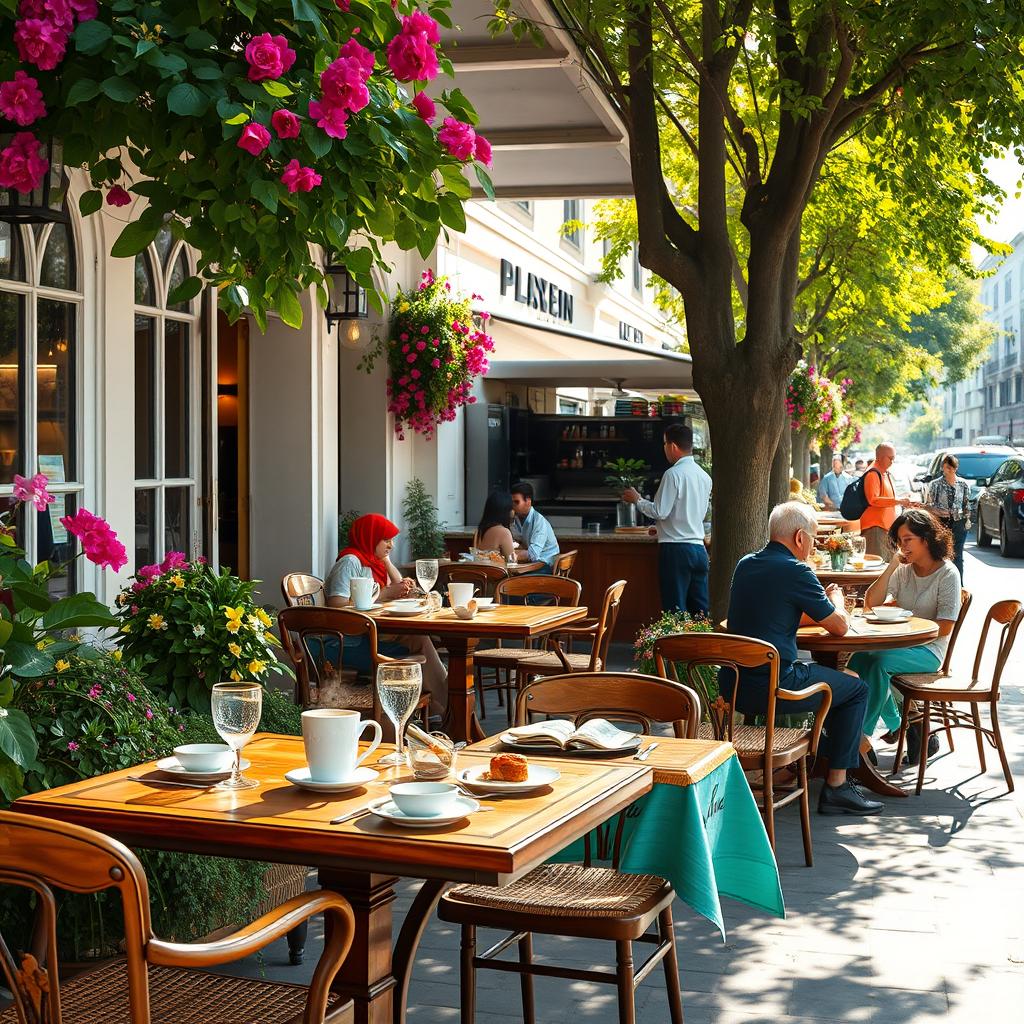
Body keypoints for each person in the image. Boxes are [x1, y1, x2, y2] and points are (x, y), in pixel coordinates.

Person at [725, 501, 882, 815]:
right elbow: (839, 626)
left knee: (841, 684)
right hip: (775, 686)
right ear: (799, 537)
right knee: (856, 689)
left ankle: (821, 754)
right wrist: (835, 598)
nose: (813, 545)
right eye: (813, 538)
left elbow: (774, 613)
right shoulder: (796, 570)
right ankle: (837, 785)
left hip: (734, 685)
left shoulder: (745, 563)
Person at [851, 510, 961, 755]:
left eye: (908, 539)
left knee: (878, 662)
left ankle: (860, 736)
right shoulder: (904, 570)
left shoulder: (947, 573)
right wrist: (891, 565)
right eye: (900, 541)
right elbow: (871, 603)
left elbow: (946, 625)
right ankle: (898, 724)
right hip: (900, 646)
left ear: (927, 538)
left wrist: (907, 622)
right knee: (858, 659)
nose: (903, 546)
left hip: (930, 651)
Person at [325, 513, 447, 716]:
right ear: (370, 536)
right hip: (345, 644)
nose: (391, 545)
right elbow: (335, 604)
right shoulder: (351, 561)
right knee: (419, 643)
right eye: (386, 539)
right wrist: (384, 594)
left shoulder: (371, 562)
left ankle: (440, 706)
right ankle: (447, 708)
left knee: (418, 638)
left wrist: (386, 561)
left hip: (367, 636)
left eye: (392, 541)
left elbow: (395, 583)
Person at [622, 422, 712, 615]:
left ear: (672, 446)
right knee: (700, 611)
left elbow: (660, 511)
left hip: (675, 550)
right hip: (699, 549)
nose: (664, 449)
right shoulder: (705, 477)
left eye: (664, 444)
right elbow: (696, 514)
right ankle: (702, 644)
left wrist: (637, 499)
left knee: (675, 609)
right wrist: (663, 528)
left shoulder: (673, 474)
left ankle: (676, 646)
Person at [921, 455, 971, 580]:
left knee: (958, 555)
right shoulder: (935, 484)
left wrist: (967, 521)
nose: (946, 471)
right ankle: (940, 582)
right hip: (941, 523)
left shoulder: (963, 484)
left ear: (955, 468)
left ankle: (959, 585)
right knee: (941, 554)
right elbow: (929, 505)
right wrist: (937, 513)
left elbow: (967, 504)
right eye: (944, 468)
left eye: (949, 468)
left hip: (959, 522)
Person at [860, 442, 907, 557]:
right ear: (879, 457)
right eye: (890, 458)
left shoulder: (883, 472)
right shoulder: (872, 473)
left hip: (885, 528)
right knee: (876, 567)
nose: (892, 461)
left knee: (887, 567)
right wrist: (898, 501)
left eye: (893, 458)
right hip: (875, 529)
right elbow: (873, 500)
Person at [510, 481, 560, 570]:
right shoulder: (515, 519)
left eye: (516, 502)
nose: (513, 506)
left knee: (510, 580)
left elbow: (532, 554)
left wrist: (508, 554)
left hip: (545, 566)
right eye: (512, 502)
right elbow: (516, 544)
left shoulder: (539, 521)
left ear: (528, 501)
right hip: (529, 564)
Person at [473, 490, 517, 563]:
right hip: (496, 573)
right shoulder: (504, 532)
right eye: (511, 507)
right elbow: (512, 562)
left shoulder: (480, 531)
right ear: (506, 510)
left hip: (481, 573)